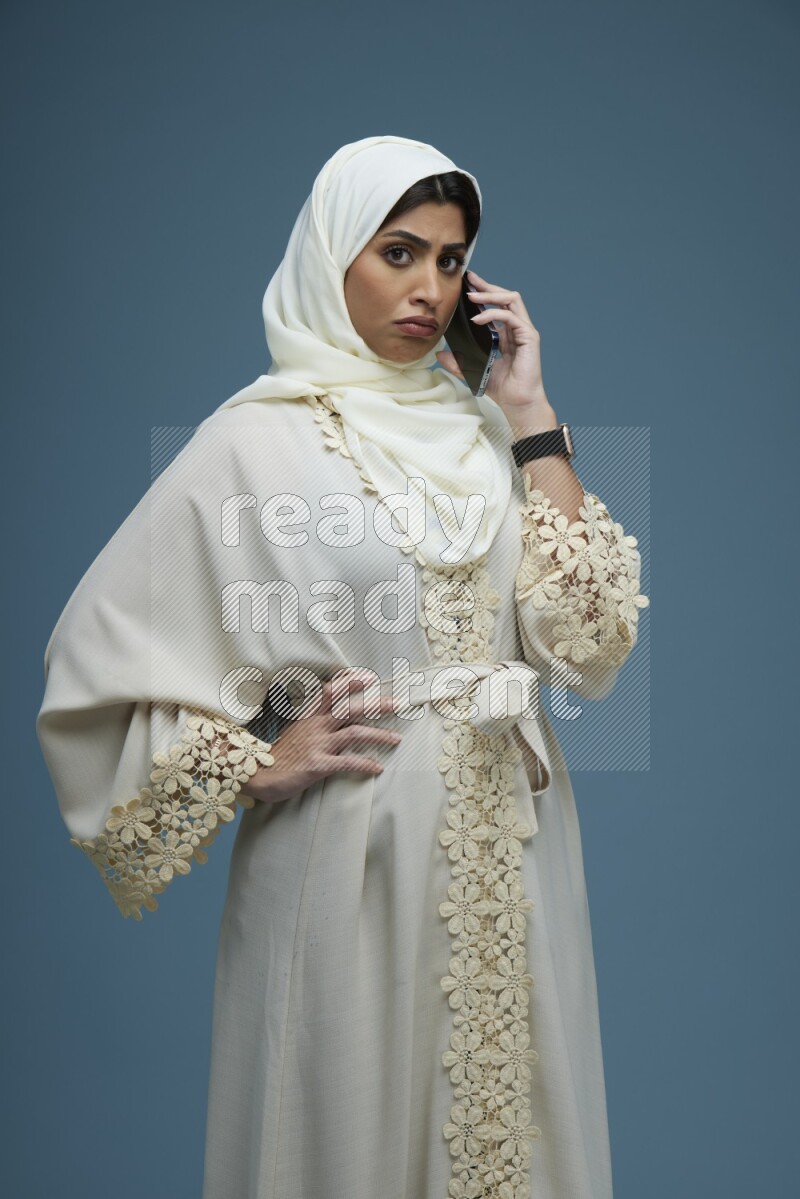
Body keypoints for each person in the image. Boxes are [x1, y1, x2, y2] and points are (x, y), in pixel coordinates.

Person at [37, 134, 649, 1199]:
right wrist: (251, 759)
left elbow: (586, 642)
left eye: (451, 261)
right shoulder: (254, 442)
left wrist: (530, 415)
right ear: (333, 256)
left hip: (514, 838)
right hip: (353, 839)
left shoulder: (485, 431)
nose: (429, 289)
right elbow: (96, 659)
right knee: (344, 1125)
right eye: (398, 252)